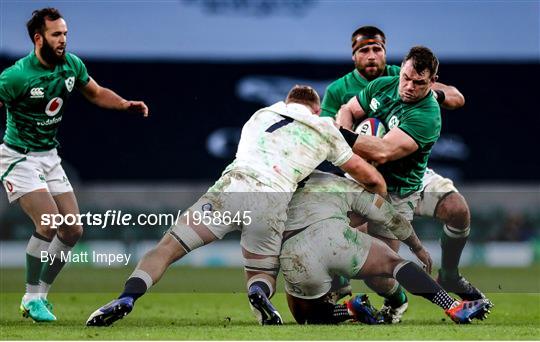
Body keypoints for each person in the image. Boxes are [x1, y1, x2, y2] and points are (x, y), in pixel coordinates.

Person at [86, 85, 387, 326]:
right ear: (317, 109)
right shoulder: (324, 127)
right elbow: (371, 177)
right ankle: (258, 293)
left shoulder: (260, 115)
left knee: (165, 248)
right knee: (262, 275)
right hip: (270, 198)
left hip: (230, 187)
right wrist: (363, 210)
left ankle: (127, 297)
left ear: (286, 102)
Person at [322, 26, 486, 322]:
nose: (409, 86)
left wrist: (343, 135)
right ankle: (364, 292)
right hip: (366, 178)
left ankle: (448, 276)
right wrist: (346, 132)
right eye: (407, 79)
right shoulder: (366, 85)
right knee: (375, 271)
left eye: (418, 83)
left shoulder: (426, 113)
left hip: (404, 184)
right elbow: (345, 112)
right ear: (354, 55)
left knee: (457, 210)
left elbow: (383, 150)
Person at [0, 8, 148, 322]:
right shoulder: (16, 76)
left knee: (73, 229)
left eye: (65, 34)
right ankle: (30, 297)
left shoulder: (71, 65)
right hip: (18, 156)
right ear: (38, 38)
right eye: (56, 35)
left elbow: (95, 93)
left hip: (49, 156)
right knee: (49, 222)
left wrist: (125, 105)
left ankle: (40, 296)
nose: (63, 40)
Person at [280, 171, 491, 324]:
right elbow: (390, 217)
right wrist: (416, 247)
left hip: (296, 253)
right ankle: (452, 306)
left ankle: (349, 310)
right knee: (395, 264)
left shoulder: (276, 189)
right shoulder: (339, 182)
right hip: (337, 238)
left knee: (306, 316)